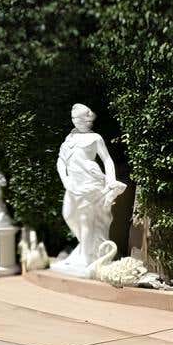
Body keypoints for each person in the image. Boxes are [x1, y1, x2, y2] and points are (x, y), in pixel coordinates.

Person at [55, 104, 126, 276]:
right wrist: (65, 180)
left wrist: (111, 180)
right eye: (74, 118)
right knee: (68, 214)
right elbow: (61, 161)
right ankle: (86, 248)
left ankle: (87, 259)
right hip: (73, 185)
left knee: (86, 220)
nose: (76, 121)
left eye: (79, 119)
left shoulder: (95, 138)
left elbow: (107, 160)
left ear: (88, 120)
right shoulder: (70, 138)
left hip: (91, 183)